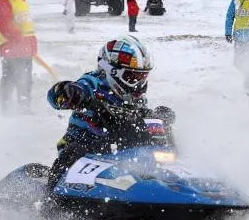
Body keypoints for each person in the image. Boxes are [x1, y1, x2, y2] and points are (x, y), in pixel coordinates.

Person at [44, 35, 174, 191]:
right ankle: (50, 197)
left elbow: (139, 120)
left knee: (154, 130)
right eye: (132, 77)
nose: (138, 84)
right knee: (73, 151)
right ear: (112, 71)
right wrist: (70, 92)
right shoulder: (93, 83)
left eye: (142, 77)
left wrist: (158, 118)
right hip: (87, 148)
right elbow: (54, 97)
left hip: (118, 151)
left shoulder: (135, 100)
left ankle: (172, 179)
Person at [0, 0, 37, 114]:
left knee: (26, 80)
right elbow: (5, 25)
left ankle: (24, 107)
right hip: (12, 50)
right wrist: (19, 39)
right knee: (10, 80)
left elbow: (27, 25)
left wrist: (31, 43)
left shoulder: (22, 1)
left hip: (26, 49)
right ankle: (6, 108)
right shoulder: (4, 1)